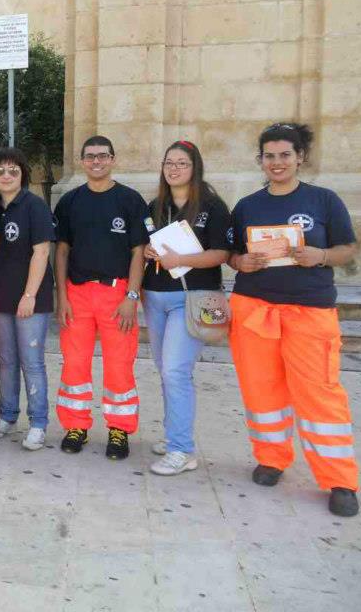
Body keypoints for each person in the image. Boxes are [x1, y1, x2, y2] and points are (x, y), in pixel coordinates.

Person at [227, 122, 360, 517]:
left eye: (285, 155)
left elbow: (348, 247)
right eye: (270, 156)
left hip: (310, 310)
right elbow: (232, 252)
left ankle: (340, 480)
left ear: (300, 157)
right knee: (261, 390)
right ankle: (272, 458)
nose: (277, 162)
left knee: (319, 393)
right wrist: (240, 261)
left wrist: (321, 256)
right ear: (261, 160)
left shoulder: (324, 200)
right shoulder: (248, 205)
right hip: (254, 309)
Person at [53, 135, 147, 460]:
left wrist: (132, 296)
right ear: (82, 161)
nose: (97, 161)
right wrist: (61, 296)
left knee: (119, 365)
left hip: (117, 294)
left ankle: (119, 429)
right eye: (91, 156)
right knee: (75, 364)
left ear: (113, 159)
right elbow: (61, 252)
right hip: (77, 294)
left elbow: (139, 252)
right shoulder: (70, 202)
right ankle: (75, 425)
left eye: (103, 156)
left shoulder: (131, 200)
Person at [142, 141, 231, 475]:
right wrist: (152, 255)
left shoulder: (212, 206)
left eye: (181, 163)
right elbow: (148, 247)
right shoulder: (156, 205)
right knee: (167, 370)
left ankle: (182, 449)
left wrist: (180, 259)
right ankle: (173, 435)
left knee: (175, 372)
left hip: (193, 299)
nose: (174, 168)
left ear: (195, 167)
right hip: (156, 296)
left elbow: (221, 253)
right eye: (168, 162)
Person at [0, 148, 55, 451]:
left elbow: (41, 252)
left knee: (32, 362)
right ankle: (7, 416)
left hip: (30, 300)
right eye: (0, 171)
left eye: (13, 170)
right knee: (5, 360)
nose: (6, 176)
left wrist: (29, 295)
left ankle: (38, 423)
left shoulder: (34, 206)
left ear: (22, 174)